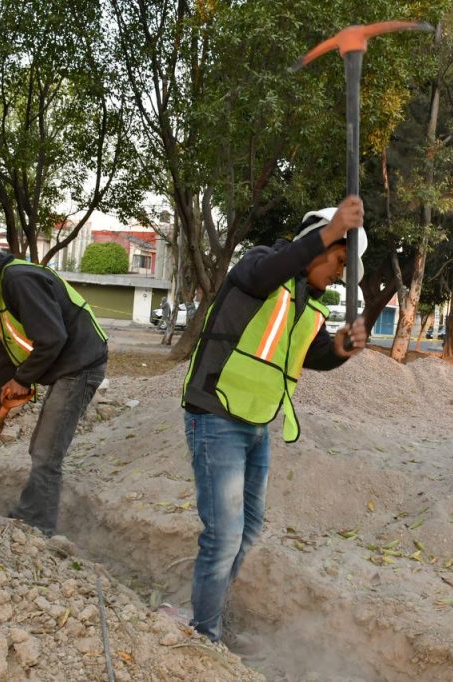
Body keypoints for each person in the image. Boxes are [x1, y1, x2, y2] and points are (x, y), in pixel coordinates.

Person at [180, 195, 368, 643]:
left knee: (247, 531)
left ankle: (208, 612)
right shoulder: (261, 266)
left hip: (257, 422)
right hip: (216, 413)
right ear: (316, 245)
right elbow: (269, 271)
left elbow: (314, 357)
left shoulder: (309, 303)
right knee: (224, 535)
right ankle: (202, 634)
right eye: (339, 259)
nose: (340, 272)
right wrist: (332, 227)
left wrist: (342, 348)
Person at [0, 243, 109, 536]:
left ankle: (35, 525)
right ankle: (32, 517)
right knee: (41, 446)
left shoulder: (18, 280)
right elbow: (1, 362)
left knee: (46, 451)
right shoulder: (0, 297)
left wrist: (23, 379)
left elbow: (51, 338)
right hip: (65, 366)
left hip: (80, 364)